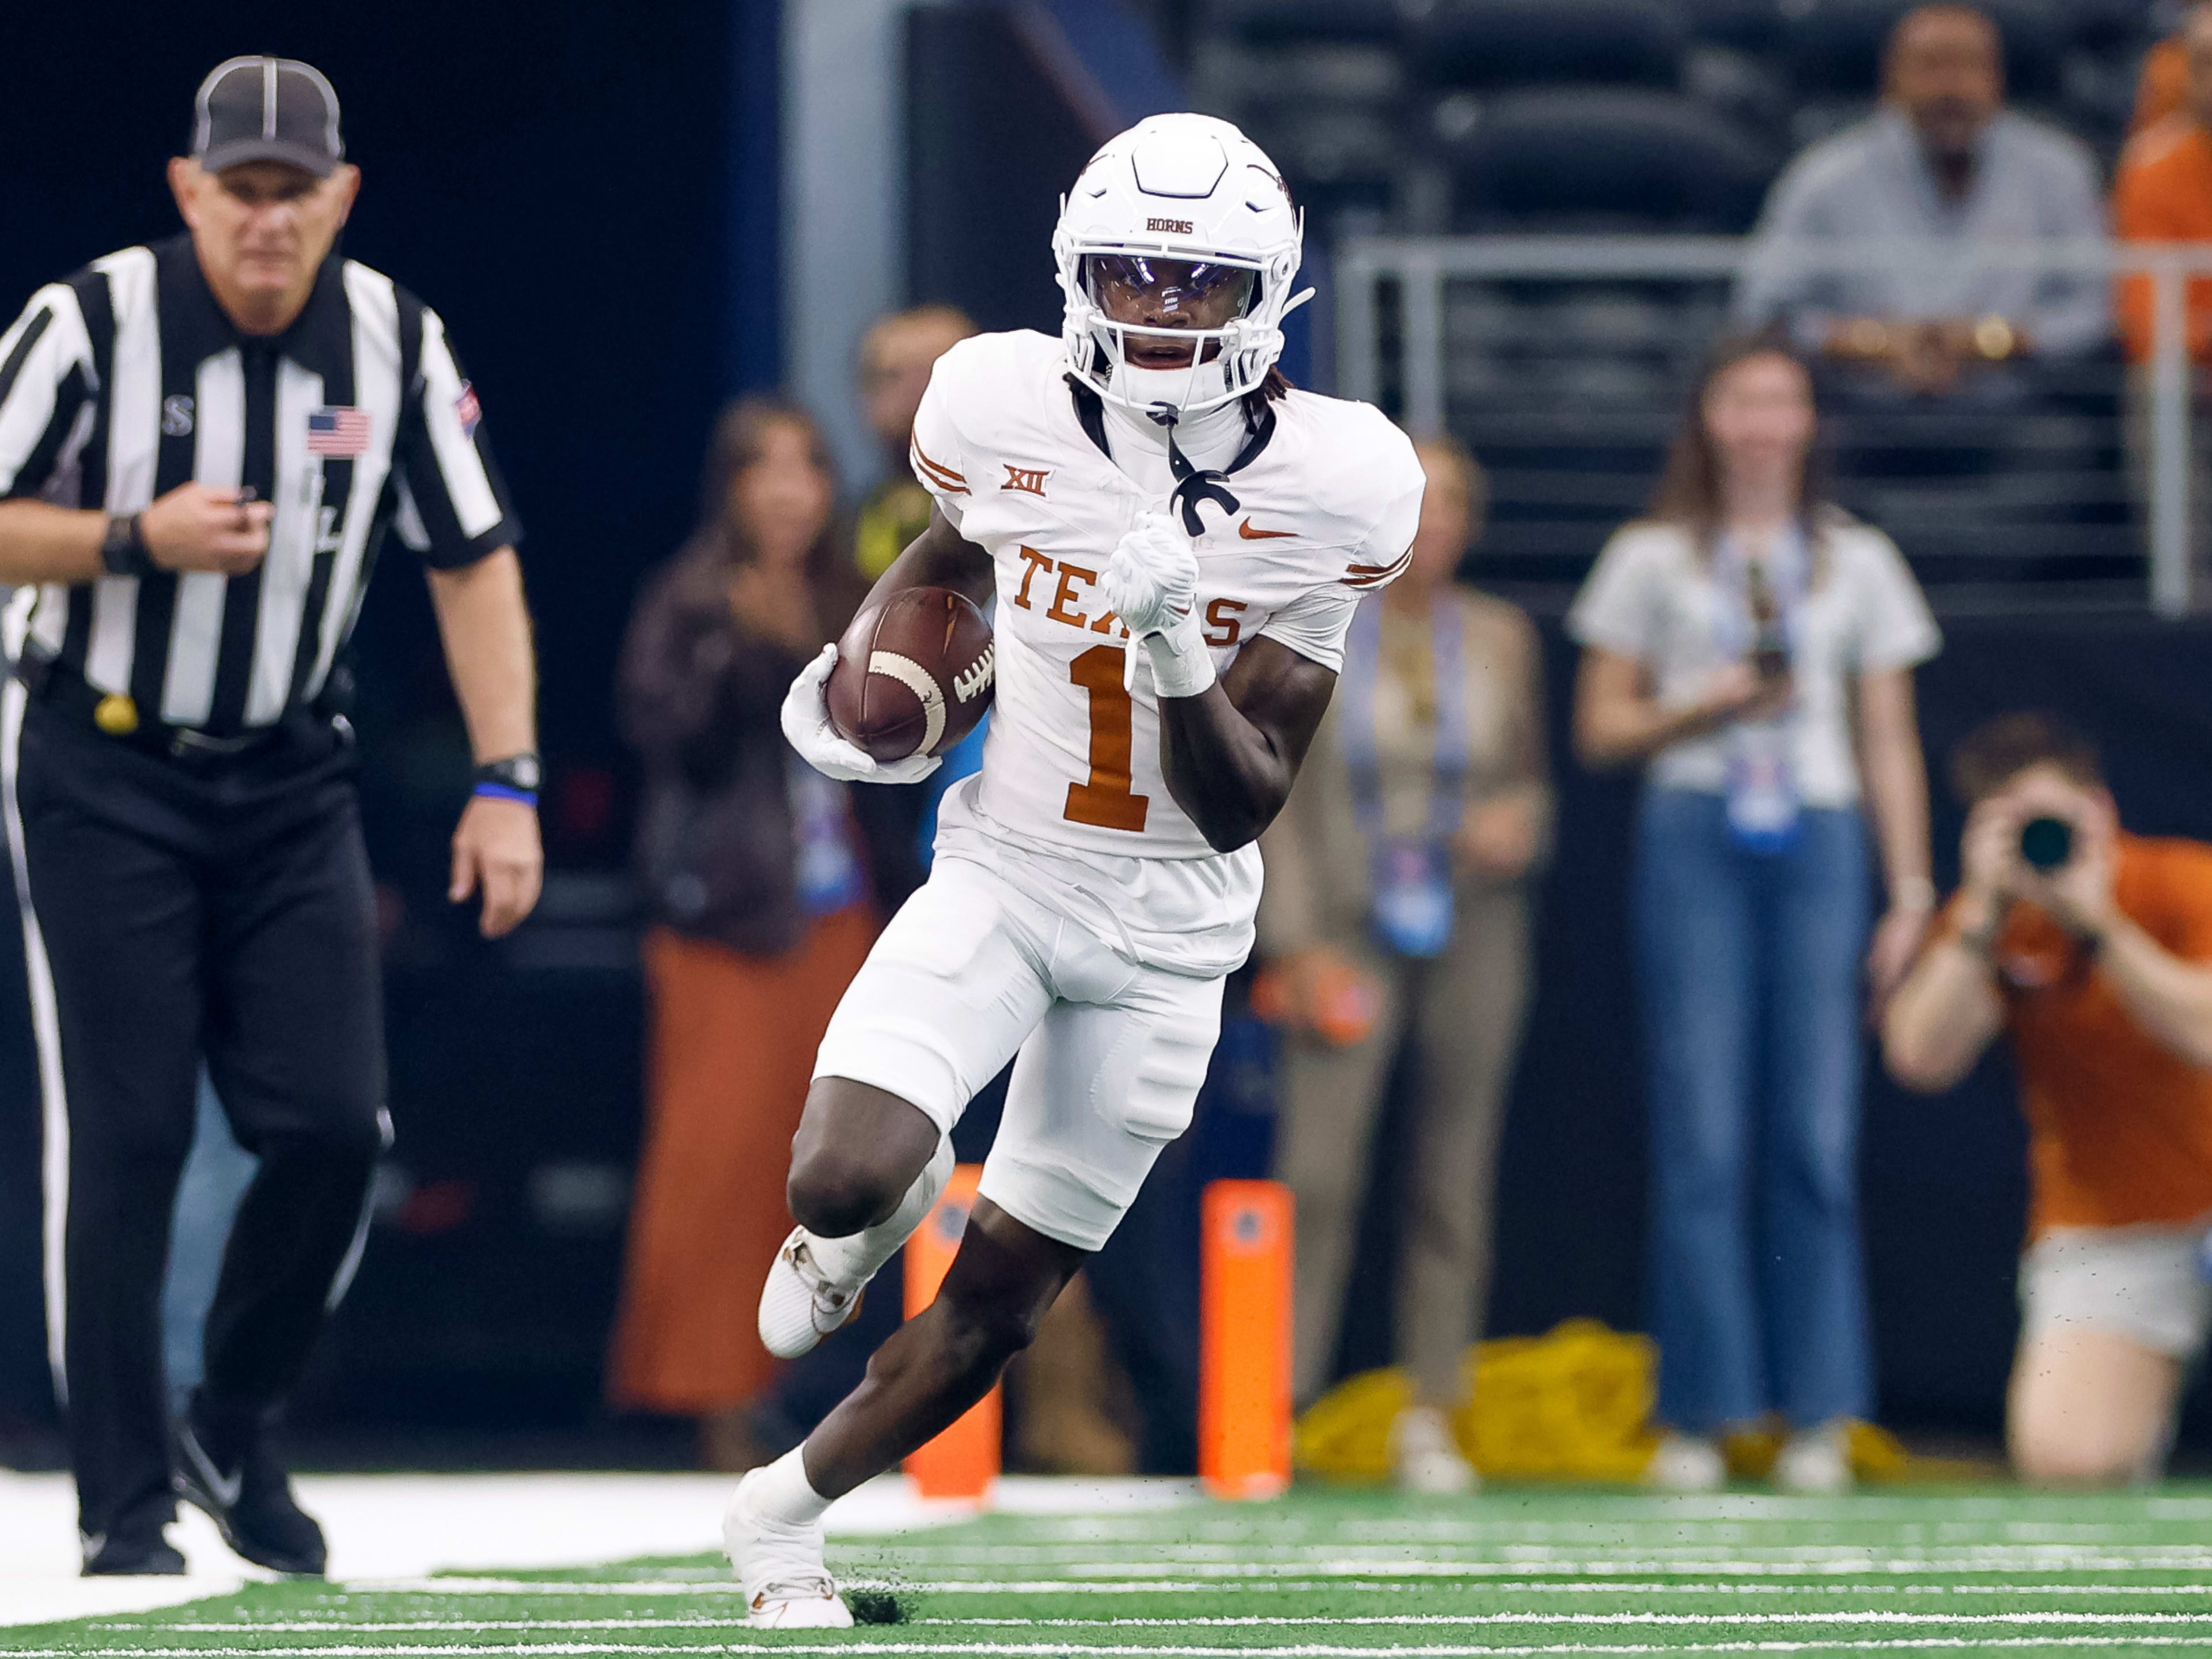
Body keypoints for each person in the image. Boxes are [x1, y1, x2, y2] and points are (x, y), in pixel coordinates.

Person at [724, 111, 1425, 1626]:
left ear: (1272, 295)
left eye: (1201, 284)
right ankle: (861, 1231)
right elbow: (962, 547)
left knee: (1000, 1308)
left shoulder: (1343, 480)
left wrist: (1178, 653)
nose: (1162, 312)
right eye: (1131, 274)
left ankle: (780, 1525)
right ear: (1073, 271)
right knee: (840, 1176)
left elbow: (1244, 804)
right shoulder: (995, 400)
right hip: (1011, 867)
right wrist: (891, 686)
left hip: (1172, 931)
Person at [0, 58, 540, 1575]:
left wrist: (507, 782)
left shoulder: (394, 339)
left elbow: (474, 557)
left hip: (292, 771)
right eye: (237, 189)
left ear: (339, 199)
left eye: (292, 192)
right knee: (131, 1131)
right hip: (100, 764)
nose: (264, 220)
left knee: (330, 1128)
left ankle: (232, 1416)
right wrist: (129, 538)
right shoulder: (88, 323)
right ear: (187, 191)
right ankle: (123, 1509)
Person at [1568, 332, 1940, 1494]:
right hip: (1695, 835)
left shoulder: (1858, 559)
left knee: (1815, 1139)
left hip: (1822, 839)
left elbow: (1888, 734)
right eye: (1743, 399)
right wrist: (1707, 704)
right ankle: (1704, 1411)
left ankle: (1823, 1411)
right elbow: (1601, 730)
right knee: (1703, 1134)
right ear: (1709, 417)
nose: (1765, 422)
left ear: (1810, 421)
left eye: (1784, 401)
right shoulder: (1650, 557)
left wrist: (1913, 889)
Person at [610, 399, 910, 1471]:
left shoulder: (858, 596)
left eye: (807, 467)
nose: (788, 490)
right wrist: (750, 653)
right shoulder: (689, 599)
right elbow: (658, 737)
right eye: (763, 469)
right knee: (720, 1160)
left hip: (844, 916)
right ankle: (716, 1399)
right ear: (730, 486)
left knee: (839, 1167)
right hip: (727, 924)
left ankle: (824, 1388)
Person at [1256, 435, 1547, 1495]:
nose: (1438, 526)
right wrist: (1294, 944)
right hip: (1349, 927)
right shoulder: (1318, 629)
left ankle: (1432, 1412)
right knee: (1319, 1174)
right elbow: (1272, 799)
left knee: (1453, 1177)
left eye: (1456, 504)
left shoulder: (1505, 638)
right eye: (1419, 505)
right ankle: (1275, 1407)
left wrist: (1521, 822)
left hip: (1475, 924)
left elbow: (1532, 786)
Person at [1884, 714, 2212, 1484]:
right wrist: (1981, 921)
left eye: (2051, 821)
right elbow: (1919, 1058)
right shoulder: (1992, 919)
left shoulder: (2180, 878)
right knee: (2067, 1460)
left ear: (2098, 810)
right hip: (2118, 1226)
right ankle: (2136, 1405)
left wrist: (2100, 930)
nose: (2040, 843)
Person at [1733, 4, 2107, 399]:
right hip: (1857, 412)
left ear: (1998, 78)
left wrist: (1988, 342)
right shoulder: (1825, 176)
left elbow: (2095, 309)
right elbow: (1763, 307)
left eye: (1968, 66)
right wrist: (1876, 344)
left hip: (2018, 406)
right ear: (1891, 79)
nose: (1952, 87)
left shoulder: (2060, 172)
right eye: (1930, 66)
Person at [2113, 1, 2212, 596]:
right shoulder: (2152, 165)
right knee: (2157, 386)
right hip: (2195, 381)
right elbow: (2150, 321)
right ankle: (2191, 600)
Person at [851, 306, 979, 582]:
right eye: (895, 375)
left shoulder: (1023, 517)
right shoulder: (837, 534)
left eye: (935, 370)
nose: (916, 391)